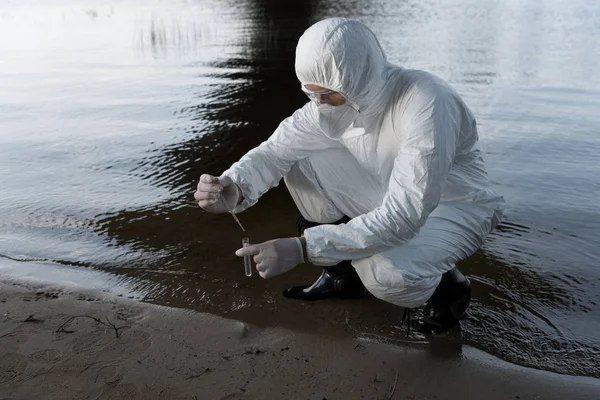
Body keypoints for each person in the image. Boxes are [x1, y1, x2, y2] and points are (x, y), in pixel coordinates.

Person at [194, 18, 505, 334]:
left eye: (327, 93)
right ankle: (341, 276)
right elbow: (275, 152)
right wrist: (235, 187)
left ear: (358, 79)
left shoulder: (427, 103)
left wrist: (303, 247)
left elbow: (403, 215)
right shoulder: (333, 102)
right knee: (299, 157)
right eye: (310, 92)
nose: (318, 103)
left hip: (453, 207)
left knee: (383, 274)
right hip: (388, 189)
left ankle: (447, 289)